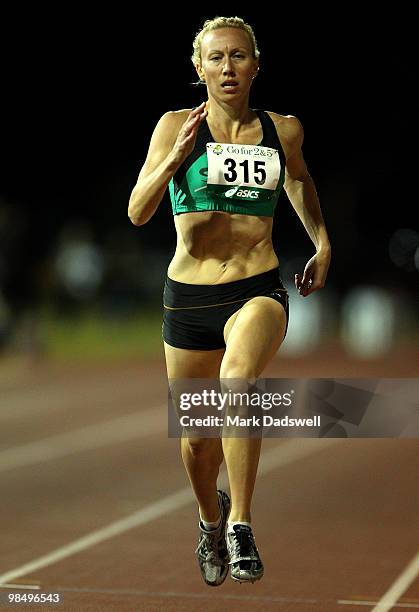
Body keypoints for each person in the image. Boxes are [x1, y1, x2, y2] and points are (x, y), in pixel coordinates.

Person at [128, 16, 331, 586]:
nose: (228, 68)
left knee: (239, 380)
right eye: (216, 58)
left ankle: (241, 521)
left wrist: (322, 240)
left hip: (257, 285)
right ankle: (210, 517)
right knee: (198, 440)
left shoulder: (282, 129)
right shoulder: (175, 125)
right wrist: (173, 161)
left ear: (256, 64)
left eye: (238, 57)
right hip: (189, 298)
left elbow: (299, 179)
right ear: (199, 68)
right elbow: (138, 210)